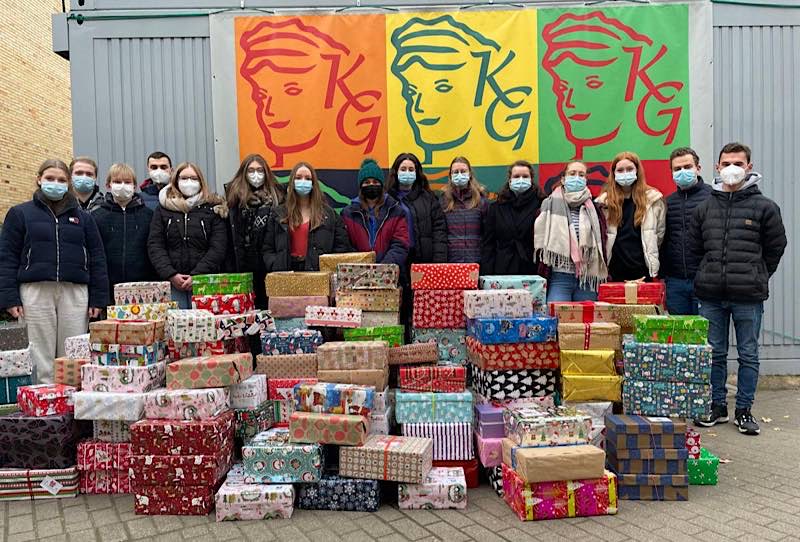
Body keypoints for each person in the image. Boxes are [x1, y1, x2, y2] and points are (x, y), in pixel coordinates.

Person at [691, 142, 786, 436]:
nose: (732, 168)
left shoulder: (765, 207)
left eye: (738, 163)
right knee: (715, 353)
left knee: (748, 353)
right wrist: (706, 275)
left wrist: (758, 275)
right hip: (711, 296)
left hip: (748, 295)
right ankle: (717, 407)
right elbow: (696, 249)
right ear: (717, 168)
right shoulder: (705, 207)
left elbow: (775, 247)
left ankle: (744, 410)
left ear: (748, 166)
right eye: (726, 163)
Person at [0, 159, 108, 383]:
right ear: (39, 179)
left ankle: (70, 402)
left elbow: (98, 258)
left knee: (73, 350)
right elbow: (7, 257)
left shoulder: (84, 218)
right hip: (36, 291)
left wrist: (98, 299)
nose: (55, 183)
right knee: (39, 350)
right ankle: (44, 401)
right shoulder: (20, 214)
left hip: (75, 291)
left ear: (68, 183)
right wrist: (9, 298)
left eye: (61, 180)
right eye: (50, 178)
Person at [147, 162, 228, 309]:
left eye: (193, 178)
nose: (189, 182)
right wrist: (171, 274)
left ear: (201, 181)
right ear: (176, 180)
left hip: (204, 282)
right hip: (172, 284)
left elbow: (218, 247)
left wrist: (198, 274)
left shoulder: (212, 208)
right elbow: (155, 244)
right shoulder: (163, 209)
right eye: (184, 178)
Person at [535, 160, 609, 302]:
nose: (577, 178)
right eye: (572, 173)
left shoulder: (595, 208)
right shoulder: (548, 205)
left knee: (587, 322)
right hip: (560, 277)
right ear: (563, 179)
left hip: (588, 278)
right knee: (558, 320)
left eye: (581, 175)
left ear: (586, 179)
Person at [263, 162, 352, 272]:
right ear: (292, 182)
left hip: (318, 276)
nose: (303, 181)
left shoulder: (330, 215)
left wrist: (329, 269)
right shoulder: (278, 214)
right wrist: (275, 265)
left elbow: (341, 248)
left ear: (313, 183)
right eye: (299, 178)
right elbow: (267, 248)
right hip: (285, 276)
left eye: (308, 178)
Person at [225, 154, 286, 308]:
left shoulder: (279, 198)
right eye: (251, 170)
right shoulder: (233, 200)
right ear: (244, 173)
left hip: (269, 269)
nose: (256, 175)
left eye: (260, 170)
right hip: (242, 269)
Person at [595, 151, 665, 281]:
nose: (625, 173)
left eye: (629, 169)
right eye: (620, 170)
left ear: (637, 171)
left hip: (644, 273)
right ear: (613, 173)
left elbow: (659, 235)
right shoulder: (603, 202)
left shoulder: (653, 199)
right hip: (613, 274)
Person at [92, 163, 155, 304]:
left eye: (127, 182)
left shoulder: (149, 216)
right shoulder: (96, 216)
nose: (122, 186)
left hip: (143, 290)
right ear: (108, 185)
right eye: (117, 182)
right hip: (108, 290)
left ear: (134, 186)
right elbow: (94, 257)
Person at [661, 147, 712, 314]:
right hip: (675, 282)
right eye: (677, 169)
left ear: (698, 168)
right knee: (679, 337)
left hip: (705, 280)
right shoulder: (667, 203)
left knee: (708, 336)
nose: (683, 172)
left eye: (687, 167)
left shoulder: (714, 198)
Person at [341, 158, 410, 266]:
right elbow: (345, 246)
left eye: (375, 182)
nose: (371, 185)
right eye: (367, 182)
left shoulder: (396, 211)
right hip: (357, 275)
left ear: (382, 185)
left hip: (390, 275)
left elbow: (400, 245)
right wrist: (364, 267)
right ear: (360, 186)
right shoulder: (348, 214)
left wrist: (382, 269)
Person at [481, 160, 544, 275]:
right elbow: (488, 245)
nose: (521, 180)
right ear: (510, 180)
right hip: (502, 268)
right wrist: (487, 273)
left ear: (531, 179)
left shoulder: (542, 204)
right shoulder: (496, 207)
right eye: (516, 176)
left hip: (531, 269)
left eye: (525, 176)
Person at [386, 152, 448, 265]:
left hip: (422, 259)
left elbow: (439, 231)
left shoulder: (429, 199)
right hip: (394, 258)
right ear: (396, 172)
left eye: (411, 169)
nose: (407, 172)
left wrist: (439, 262)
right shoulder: (386, 199)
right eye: (403, 169)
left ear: (417, 172)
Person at [440, 156, 489, 264]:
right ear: (450, 175)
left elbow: (487, 234)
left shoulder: (481, 201)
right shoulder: (443, 201)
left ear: (470, 174)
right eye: (455, 172)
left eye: (463, 171)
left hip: (476, 261)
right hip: (451, 262)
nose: (459, 175)